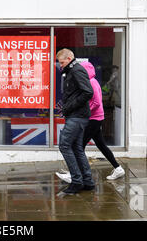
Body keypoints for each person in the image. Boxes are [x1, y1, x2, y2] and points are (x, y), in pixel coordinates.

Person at [56, 61, 125, 183]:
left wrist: (84, 111)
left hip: (93, 119)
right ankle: (118, 168)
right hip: (95, 118)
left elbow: (97, 102)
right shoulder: (92, 82)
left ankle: (74, 175)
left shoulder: (91, 83)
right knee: (101, 145)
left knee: (78, 147)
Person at [55, 49, 95, 194]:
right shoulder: (71, 71)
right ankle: (88, 181)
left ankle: (77, 181)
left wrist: (69, 107)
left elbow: (88, 92)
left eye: (62, 62)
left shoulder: (77, 70)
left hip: (77, 116)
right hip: (76, 116)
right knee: (77, 149)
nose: (61, 65)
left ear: (70, 58)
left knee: (65, 146)